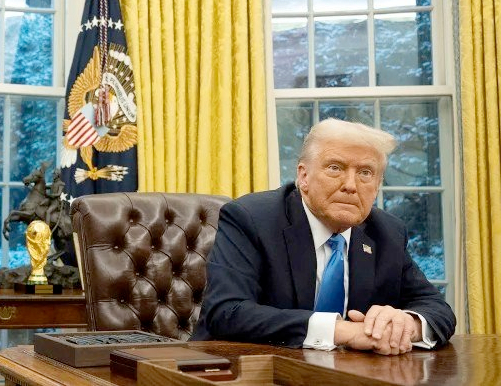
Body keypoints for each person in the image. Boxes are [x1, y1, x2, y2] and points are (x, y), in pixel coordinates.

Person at [193, 119, 455, 354]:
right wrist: (342, 331)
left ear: (377, 186)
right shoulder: (251, 218)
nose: (350, 185)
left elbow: (437, 309)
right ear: (303, 176)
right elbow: (227, 312)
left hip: (350, 375)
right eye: (335, 168)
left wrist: (405, 325)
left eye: (365, 173)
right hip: (241, 371)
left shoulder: (387, 232)